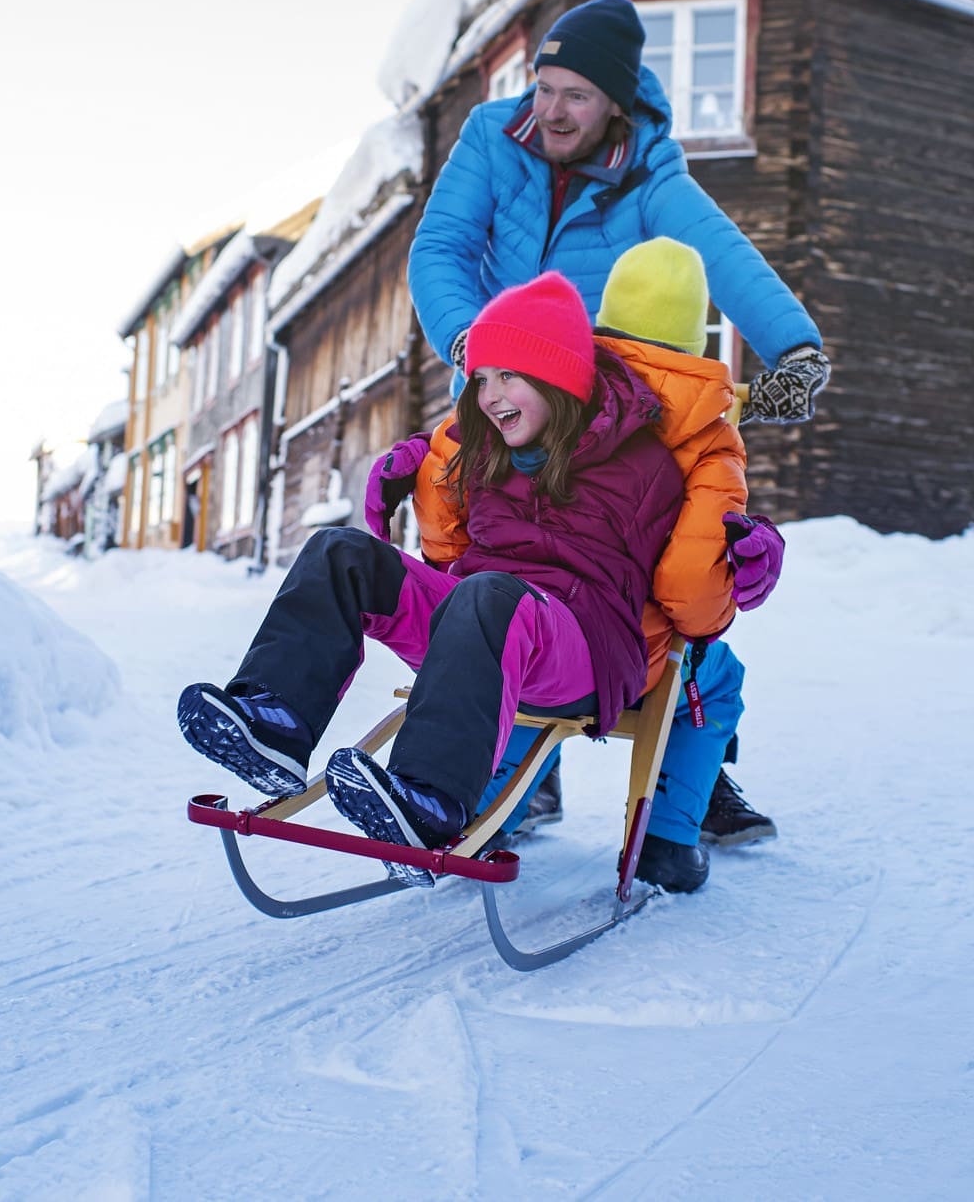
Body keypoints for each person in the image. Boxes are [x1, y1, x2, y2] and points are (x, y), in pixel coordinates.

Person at [407, 0, 821, 843]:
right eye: (544, 86)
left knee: (666, 570)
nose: (550, 110)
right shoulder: (493, 136)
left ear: (616, 105)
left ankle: (692, 770)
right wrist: (470, 347)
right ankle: (512, 761)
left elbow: (717, 251)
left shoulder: (651, 173)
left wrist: (794, 348)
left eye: (576, 95)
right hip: (506, 390)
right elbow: (440, 247)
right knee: (492, 558)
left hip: (610, 412)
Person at [177, 272, 686, 890]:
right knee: (342, 552)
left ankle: (432, 800)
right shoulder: (489, 448)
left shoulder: (647, 465)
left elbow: (698, 586)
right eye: (480, 379)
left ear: (558, 377)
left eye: (508, 375)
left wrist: (747, 551)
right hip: (478, 618)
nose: (489, 394)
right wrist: (414, 470)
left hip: (582, 645)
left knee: (489, 593)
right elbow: (445, 536)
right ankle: (275, 723)